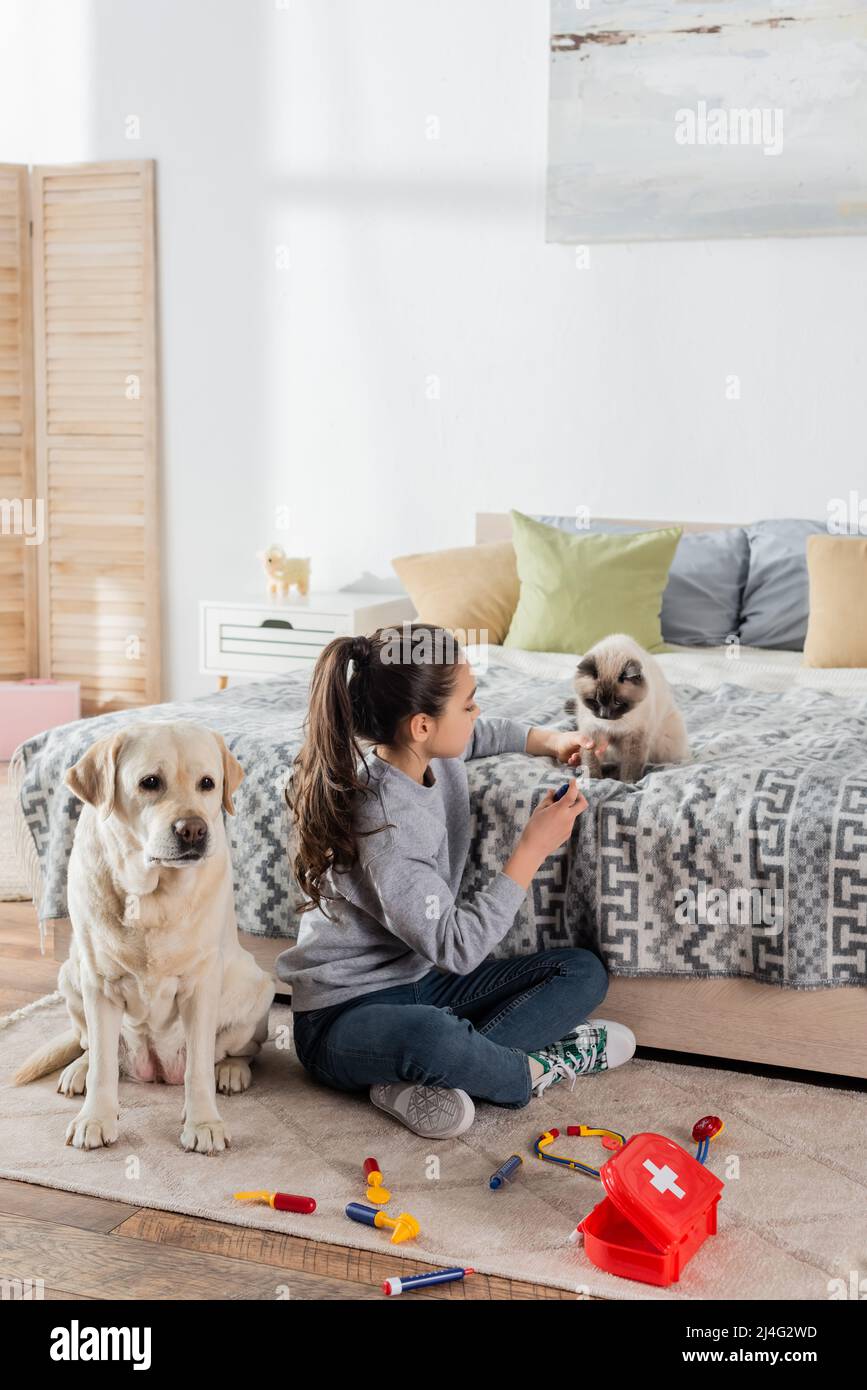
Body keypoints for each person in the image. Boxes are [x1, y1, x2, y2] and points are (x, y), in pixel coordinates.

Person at [277, 623, 636, 1139]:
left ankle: (431, 1079)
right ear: (421, 725)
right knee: (432, 1037)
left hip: (420, 982)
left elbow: (480, 736)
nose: (477, 712)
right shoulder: (386, 825)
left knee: (580, 972)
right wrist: (533, 847)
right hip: (344, 1015)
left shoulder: (425, 751)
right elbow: (458, 947)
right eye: (469, 703)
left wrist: (551, 739)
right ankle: (533, 1070)